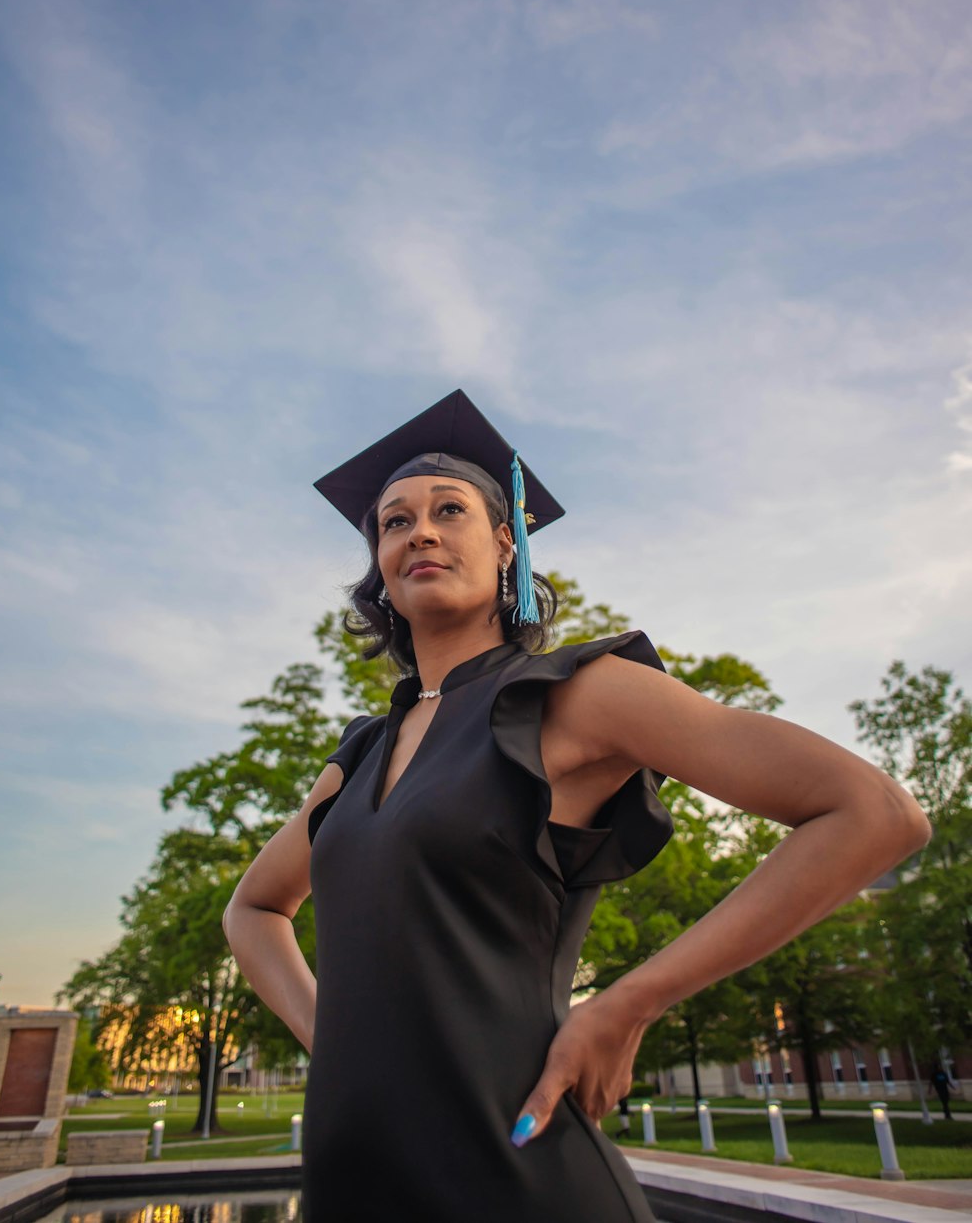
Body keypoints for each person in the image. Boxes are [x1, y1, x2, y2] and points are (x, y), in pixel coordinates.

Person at [223, 388, 931, 1223]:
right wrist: (332, 1039)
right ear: (378, 563)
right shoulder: (358, 754)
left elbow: (873, 812)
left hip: (515, 1173)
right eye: (393, 521)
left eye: (449, 510)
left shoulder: (574, 698)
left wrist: (630, 1002)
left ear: (504, 543)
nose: (419, 531)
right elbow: (254, 909)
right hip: (351, 1178)